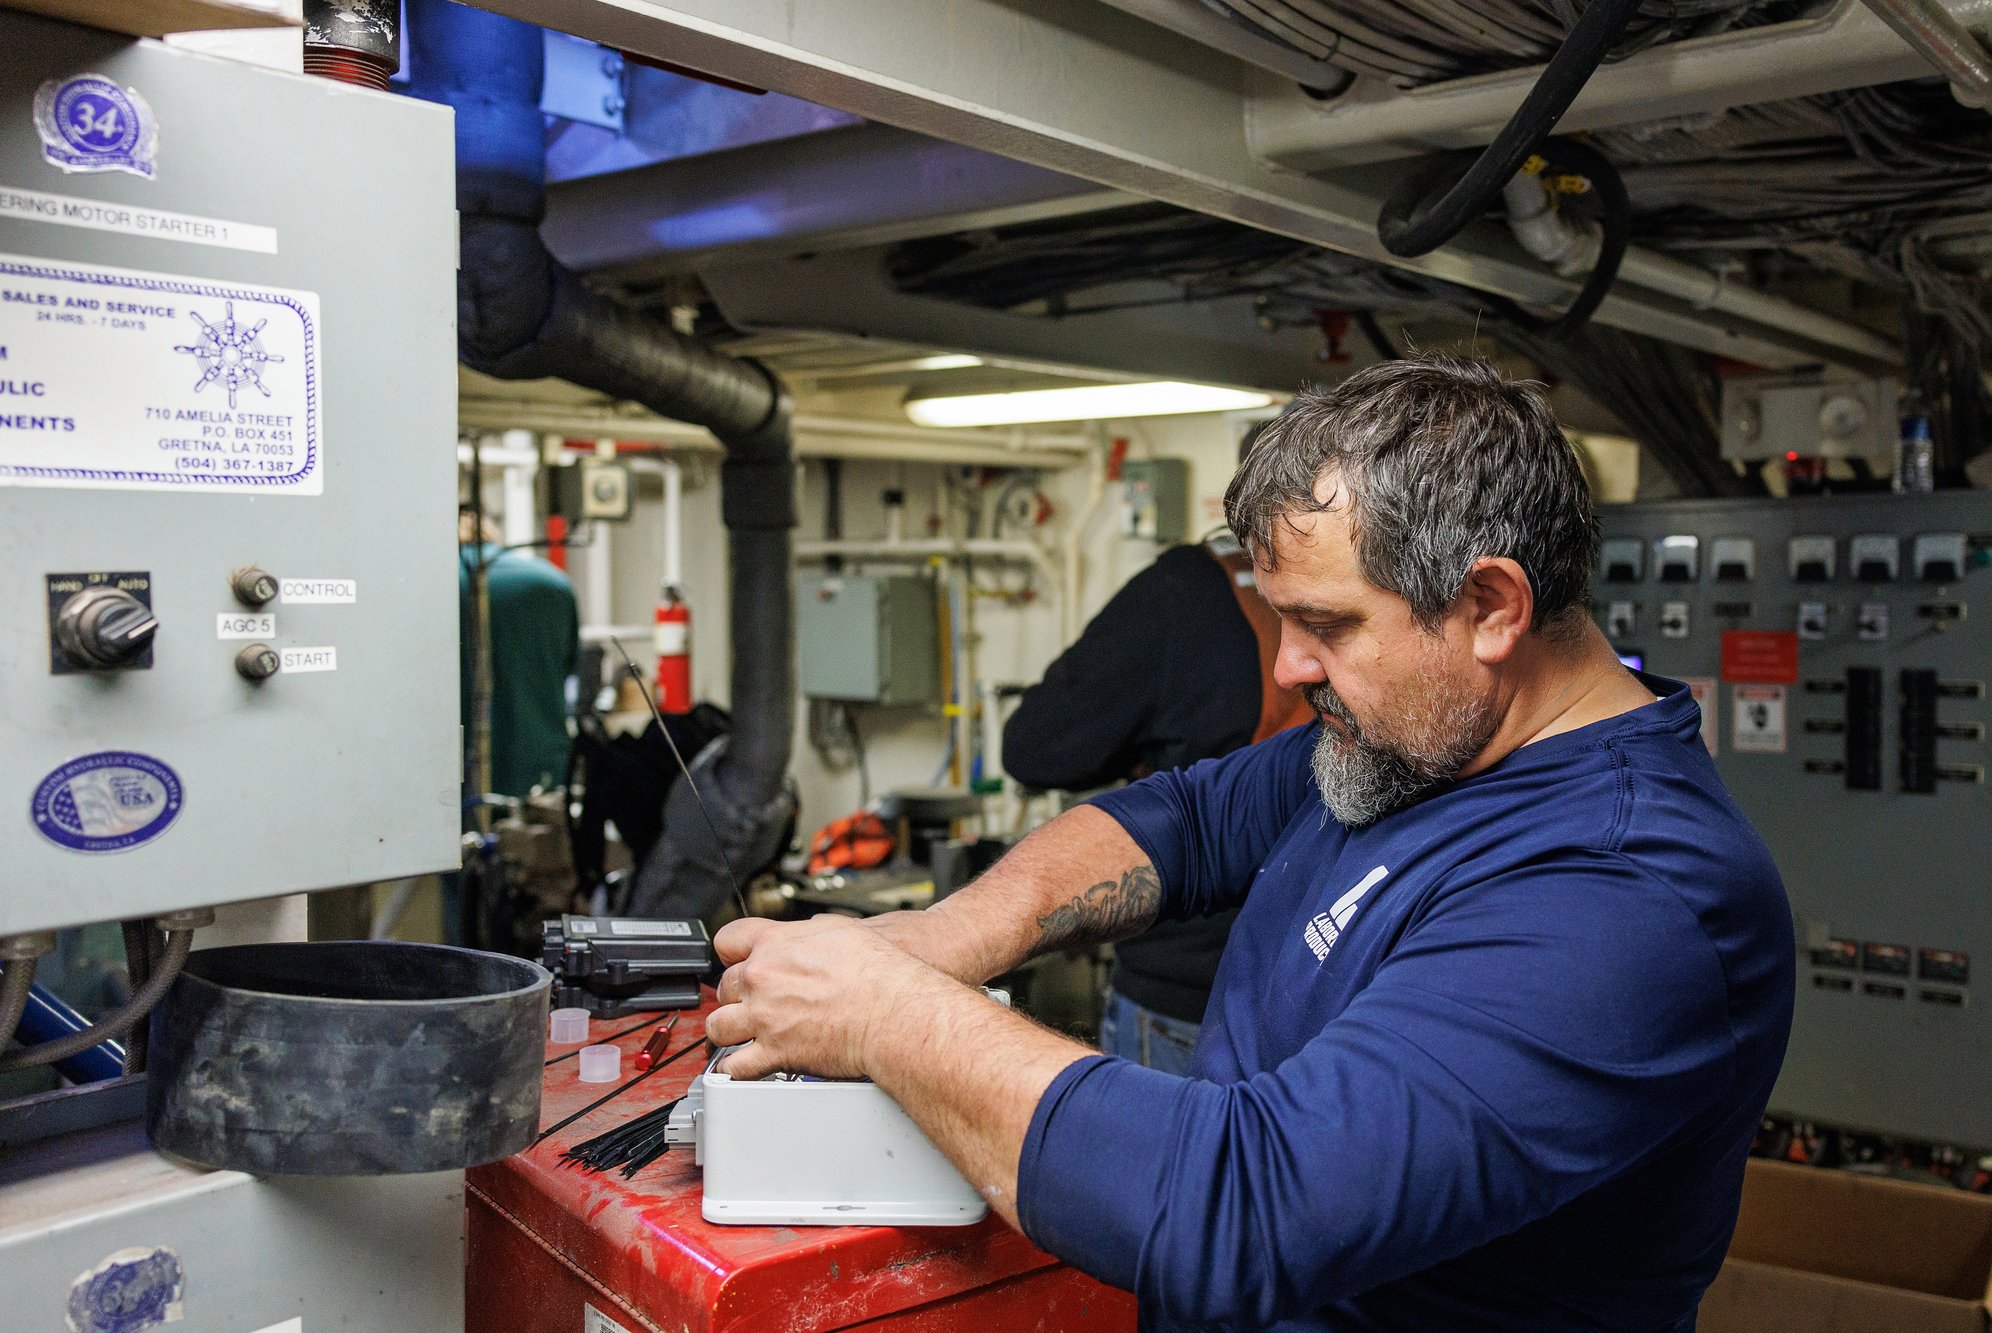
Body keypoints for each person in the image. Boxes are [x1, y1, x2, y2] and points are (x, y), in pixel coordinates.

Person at [703, 356, 1794, 1332]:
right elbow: (1183, 818)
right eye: (1279, 621)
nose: (1286, 670)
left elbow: (1245, 1207)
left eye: (1327, 625)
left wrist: (887, 1013)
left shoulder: (1627, 893)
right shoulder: (1417, 741)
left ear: (1490, 606)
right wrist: (938, 940)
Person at [1003, 519, 1310, 1072]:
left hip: (1186, 995)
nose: (1297, 665)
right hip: (1326, 993)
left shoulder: (1181, 596)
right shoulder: (1384, 586)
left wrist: (1141, 751)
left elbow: (1036, 747)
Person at [457, 510, 580, 799]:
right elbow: (572, 667)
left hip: (459, 772)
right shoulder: (552, 582)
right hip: (541, 766)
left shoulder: (434, 585)